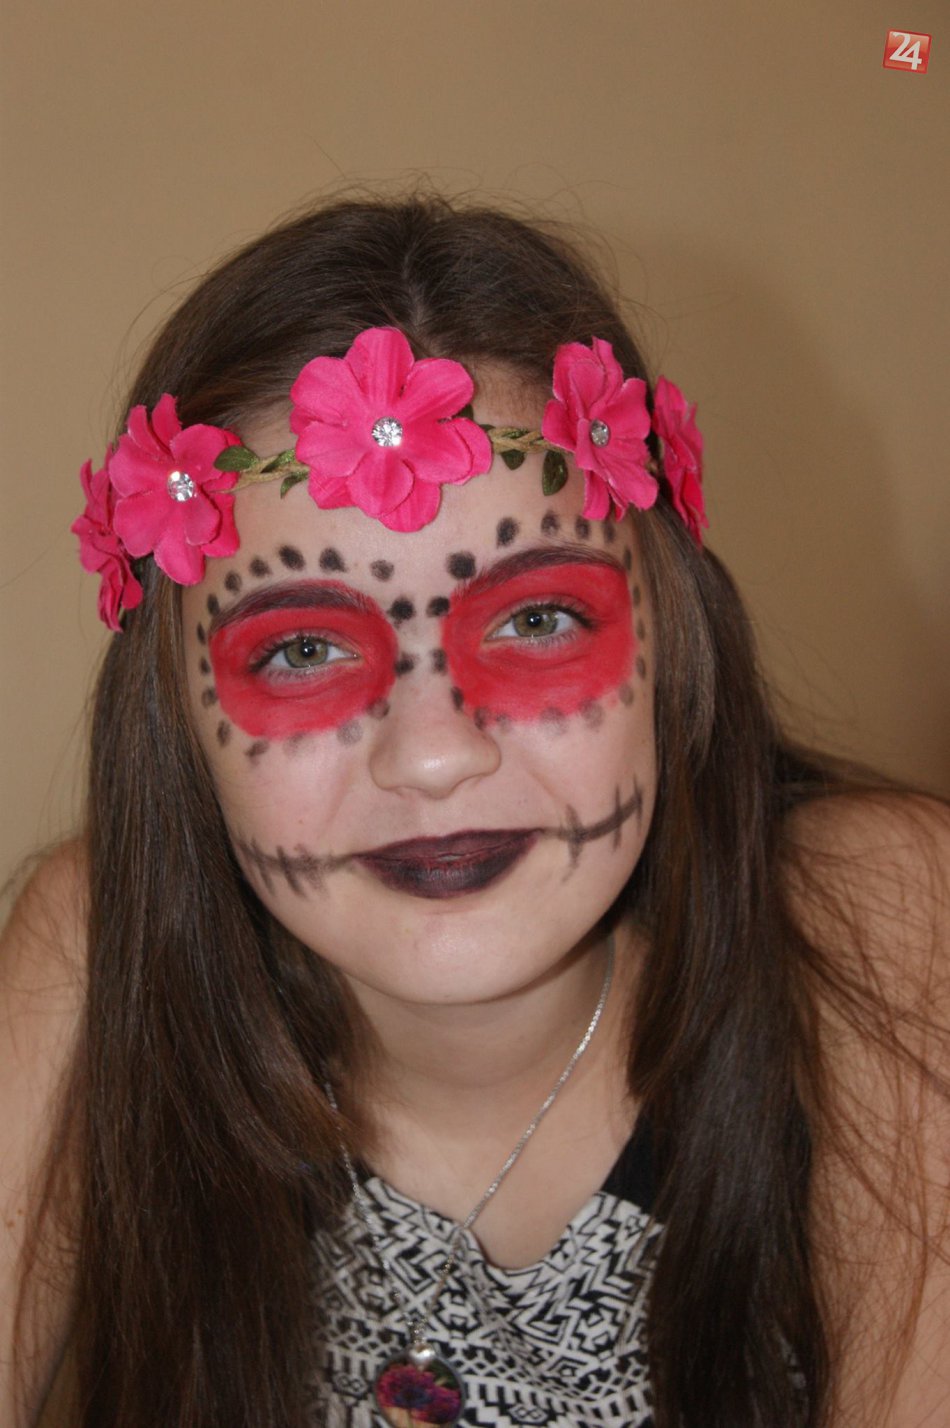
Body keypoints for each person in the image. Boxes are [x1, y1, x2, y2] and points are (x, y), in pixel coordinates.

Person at [1, 193, 948, 1428]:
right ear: (175, 715)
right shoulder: (101, 955)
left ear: (668, 643)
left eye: (538, 619)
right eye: (299, 650)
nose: (434, 756)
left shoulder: (868, 914)